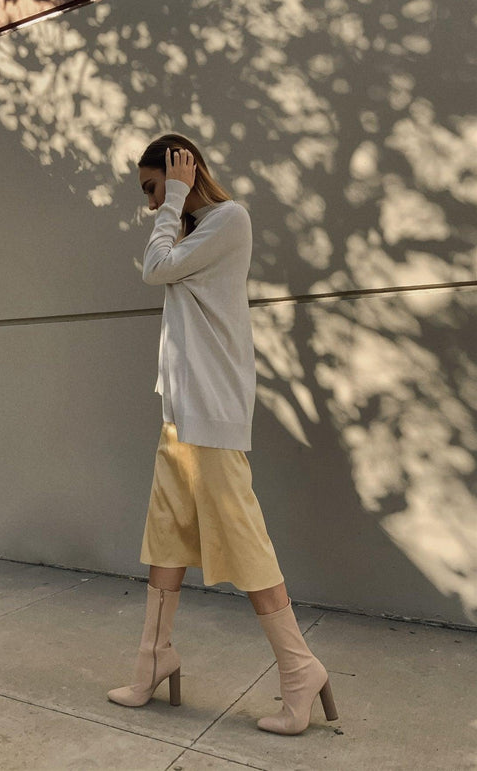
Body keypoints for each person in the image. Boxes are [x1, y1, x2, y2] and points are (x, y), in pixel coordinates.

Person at [107, 133, 338, 735]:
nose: (153, 203)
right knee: (166, 538)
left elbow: (154, 270)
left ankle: (299, 669)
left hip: (211, 418)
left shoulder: (229, 221)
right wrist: (172, 208)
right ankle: (154, 658)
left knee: (244, 539)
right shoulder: (191, 232)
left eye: (154, 187)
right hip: (181, 418)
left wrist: (175, 197)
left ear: (183, 171)